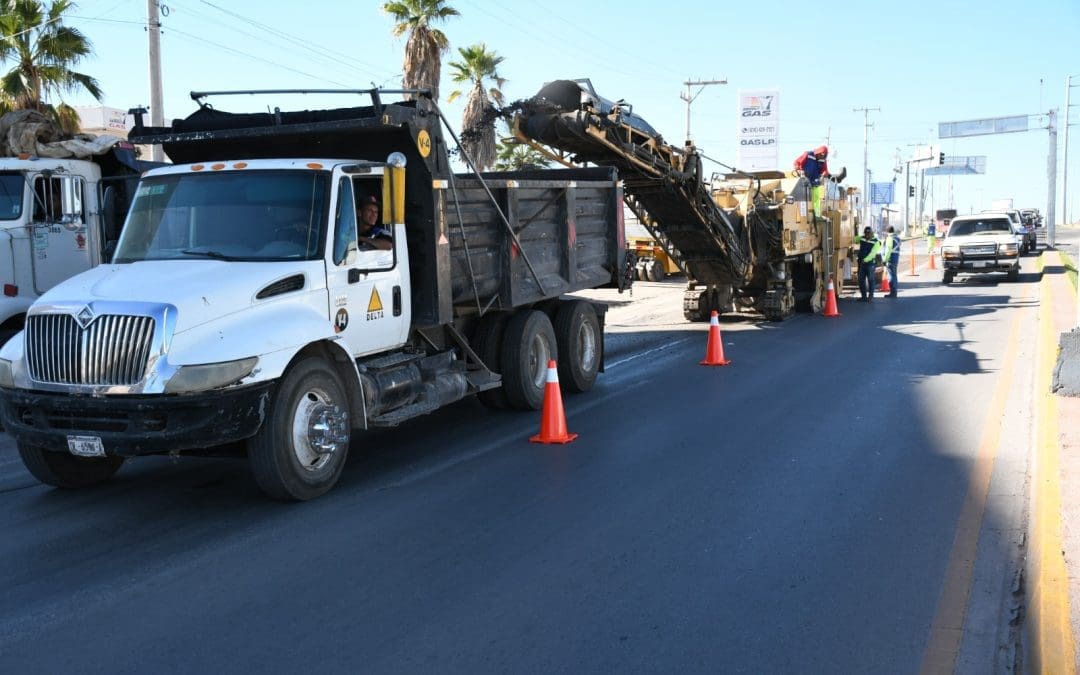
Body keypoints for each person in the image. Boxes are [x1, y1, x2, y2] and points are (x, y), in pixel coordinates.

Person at [793, 145, 830, 217]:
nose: (822, 157)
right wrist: (799, 170)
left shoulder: (823, 160)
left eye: (824, 156)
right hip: (804, 183)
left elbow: (825, 170)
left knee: (816, 199)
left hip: (815, 183)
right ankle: (803, 216)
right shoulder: (808, 155)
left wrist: (823, 175)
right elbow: (796, 162)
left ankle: (817, 215)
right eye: (822, 155)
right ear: (819, 153)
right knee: (803, 200)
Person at [855, 226, 882, 302]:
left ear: (871, 233)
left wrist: (866, 260)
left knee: (871, 279)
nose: (867, 235)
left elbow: (873, 253)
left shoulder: (876, 242)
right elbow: (855, 239)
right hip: (861, 263)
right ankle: (863, 296)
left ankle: (870, 297)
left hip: (870, 264)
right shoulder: (862, 238)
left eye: (868, 233)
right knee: (861, 280)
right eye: (865, 233)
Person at [882, 225, 900, 298]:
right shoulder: (897, 238)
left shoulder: (890, 238)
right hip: (896, 258)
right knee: (894, 275)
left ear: (887, 232)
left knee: (891, 276)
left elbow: (888, 250)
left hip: (890, 259)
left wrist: (885, 260)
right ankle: (894, 292)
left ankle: (892, 292)